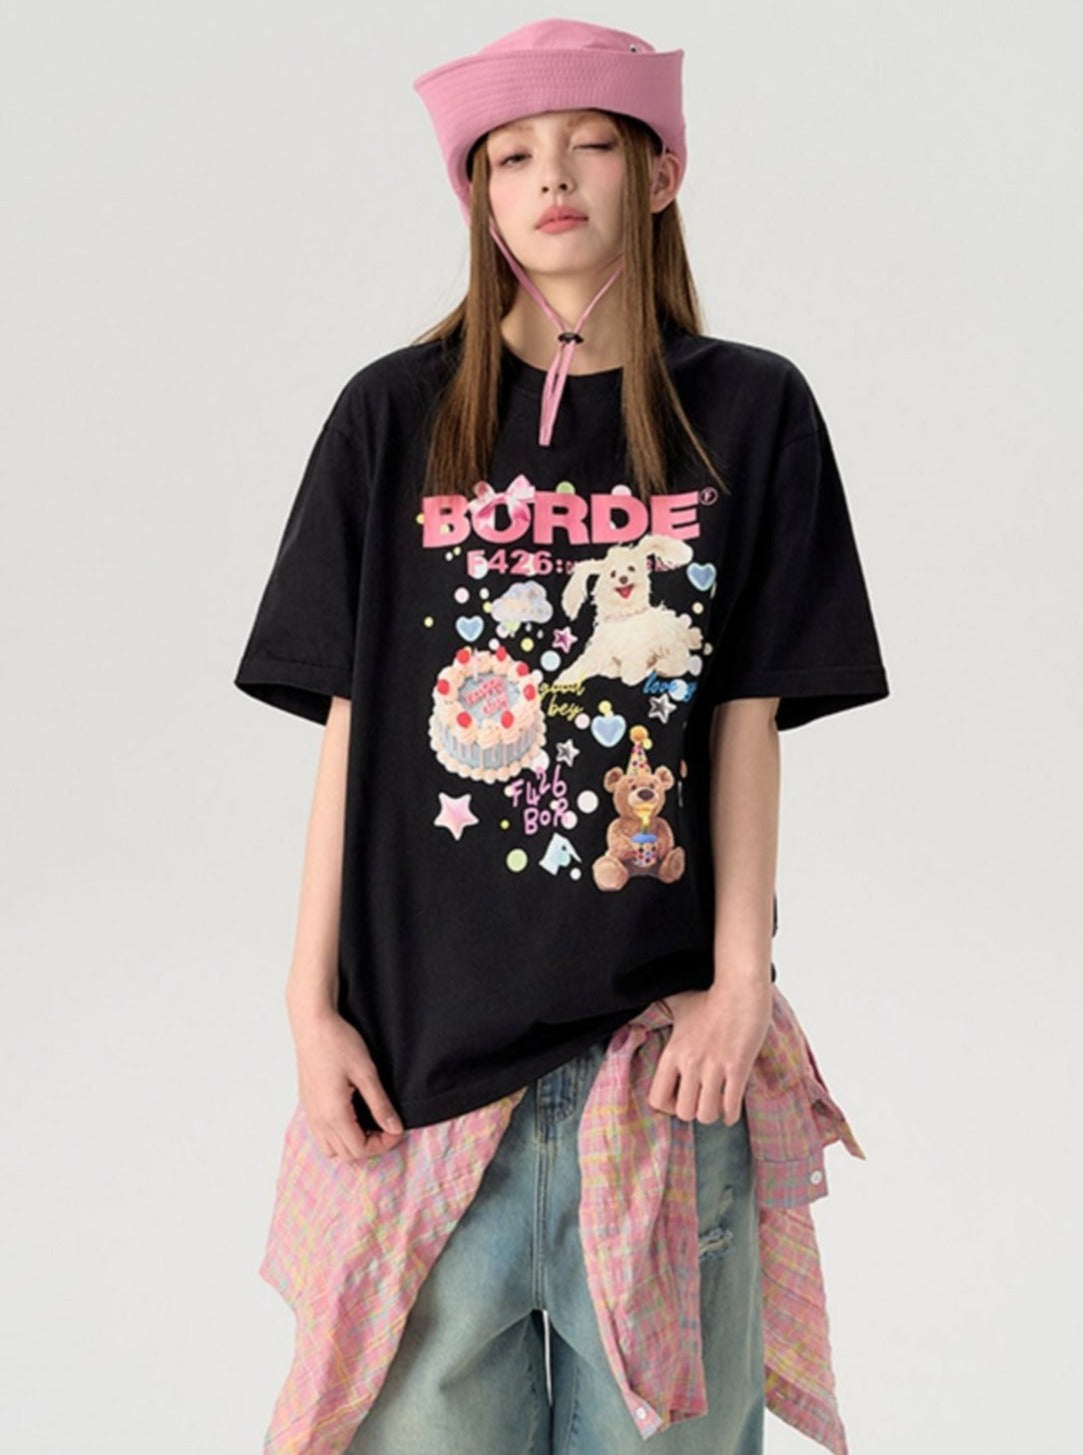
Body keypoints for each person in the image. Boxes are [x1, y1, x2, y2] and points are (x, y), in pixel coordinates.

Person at [234, 18, 889, 1455]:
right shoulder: (393, 416)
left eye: (592, 142)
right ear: (475, 193)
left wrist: (739, 984)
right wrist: (306, 1004)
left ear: (659, 175)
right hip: (419, 1086)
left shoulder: (752, 412)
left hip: (659, 1082)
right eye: (512, 155)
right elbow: (349, 730)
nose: (552, 178)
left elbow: (748, 720)